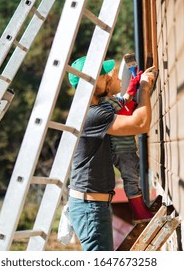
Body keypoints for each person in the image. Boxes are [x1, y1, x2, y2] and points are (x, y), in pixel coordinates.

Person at [67, 56, 155, 251]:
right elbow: (140, 124)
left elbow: (123, 103)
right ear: (89, 83)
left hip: (93, 204)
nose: (108, 76)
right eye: (102, 74)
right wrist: (145, 89)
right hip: (90, 207)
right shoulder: (92, 114)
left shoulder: (95, 109)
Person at [100, 68, 154, 224]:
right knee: (131, 180)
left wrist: (135, 81)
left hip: (127, 150)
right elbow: (126, 99)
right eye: (116, 79)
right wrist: (135, 84)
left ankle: (141, 209)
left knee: (133, 177)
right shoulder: (107, 102)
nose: (119, 81)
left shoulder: (113, 100)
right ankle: (139, 213)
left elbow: (126, 99)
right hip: (122, 151)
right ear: (107, 87)